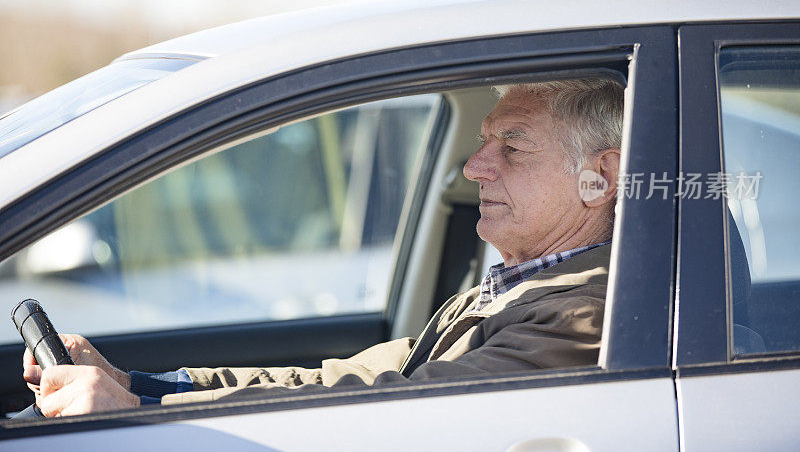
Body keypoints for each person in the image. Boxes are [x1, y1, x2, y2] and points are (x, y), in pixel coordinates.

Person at [23, 78, 623, 417]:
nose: (473, 167)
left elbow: (404, 415)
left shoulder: (580, 315)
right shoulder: (520, 288)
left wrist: (137, 416)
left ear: (601, 177)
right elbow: (341, 381)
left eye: (512, 148)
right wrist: (143, 385)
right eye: (483, 142)